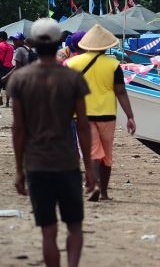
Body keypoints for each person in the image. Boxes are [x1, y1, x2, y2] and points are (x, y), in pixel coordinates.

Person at [7, 18, 95, 267]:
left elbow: (19, 129)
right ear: (59, 43)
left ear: (32, 44)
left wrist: (18, 169)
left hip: (36, 164)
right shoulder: (72, 79)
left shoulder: (20, 79)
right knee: (74, 226)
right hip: (66, 162)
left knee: (48, 231)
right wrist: (89, 168)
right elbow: (83, 125)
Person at [66, 24, 136, 202]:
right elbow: (120, 92)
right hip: (107, 115)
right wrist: (130, 116)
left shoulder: (71, 63)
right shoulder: (114, 65)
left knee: (92, 153)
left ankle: (94, 185)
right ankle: (104, 192)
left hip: (81, 116)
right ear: (107, 46)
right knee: (107, 155)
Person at [0, 31, 14, 107]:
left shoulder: (0, 45)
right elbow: (11, 57)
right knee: (7, 86)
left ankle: (0, 98)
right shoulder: (11, 47)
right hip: (9, 68)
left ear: (1, 38)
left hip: (1, 67)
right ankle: (7, 103)